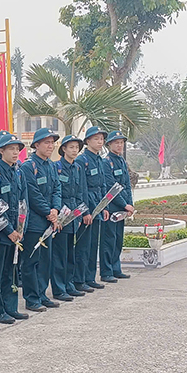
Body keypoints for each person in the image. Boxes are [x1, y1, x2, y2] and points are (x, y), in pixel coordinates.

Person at [0, 133, 29, 321]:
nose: (15, 152)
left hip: (16, 231)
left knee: (11, 271)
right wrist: (9, 230)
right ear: (1, 150)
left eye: (18, 149)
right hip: (2, 230)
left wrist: (21, 228)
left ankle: (10, 306)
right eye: (11, 149)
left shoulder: (18, 171)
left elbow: (23, 201)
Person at [21, 128, 62, 310]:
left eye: (52, 142)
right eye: (46, 142)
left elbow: (57, 189)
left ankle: (42, 294)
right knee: (32, 261)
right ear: (36, 145)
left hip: (49, 221)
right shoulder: (28, 167)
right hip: (35, 223)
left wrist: (55, 209)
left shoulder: (51, 165)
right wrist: (49, 212)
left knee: (46, 261)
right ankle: (32, 298)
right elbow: (33, 194)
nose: (50, 146)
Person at [52, 135, 87, 301]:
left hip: (74, 216)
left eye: (76, 147)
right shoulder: (56, 167)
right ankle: (59, 289)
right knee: (59, 254)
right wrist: (57, 215)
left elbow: (80, 193)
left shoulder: (78, 168)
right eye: (71, 147)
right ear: (63, 149)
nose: (74, 150)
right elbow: (56, 192)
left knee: (70, 253)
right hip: (61, 216)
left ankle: (69, 284)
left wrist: (80, 213)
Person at [74, 126, 109, 293]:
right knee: (83, 245)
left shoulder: (99, 160)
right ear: (87, 141)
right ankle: (79, 280)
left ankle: (90, 277)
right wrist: (85, 211)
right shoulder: (82, 160)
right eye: (96, 139)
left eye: (101, 139)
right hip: (88, 205)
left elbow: (103, 185)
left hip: (98, 204)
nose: (100, 141)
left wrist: (104, 207)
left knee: (93, 244)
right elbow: (82, 188)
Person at [101, 130, 134, 282]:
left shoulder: (121, 161)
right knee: (109, 239)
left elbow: (126, 185)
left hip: (122, 208)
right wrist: (124, 204)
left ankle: (116, 268)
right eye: (116, 142)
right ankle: (107, 271)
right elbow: (111, 187)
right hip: (112, 206)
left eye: (121, 142)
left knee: (118, 239)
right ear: (109, 145)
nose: (119, 145)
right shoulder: (107, 162)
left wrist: (130, 205)